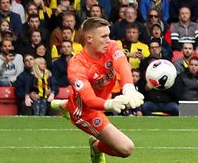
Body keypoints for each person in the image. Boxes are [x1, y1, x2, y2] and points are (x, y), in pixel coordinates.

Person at [50, 18, 143, 162]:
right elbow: (89, 100)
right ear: (89, 39)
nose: (109, 40)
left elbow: (123, 65)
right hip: (85, 111)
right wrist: (110, 104)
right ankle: (96, 147)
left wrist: (128, 88)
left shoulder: (111, 46)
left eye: (109, 35)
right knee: (126, 148)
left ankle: (64, 105)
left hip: (98, 99)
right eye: (104, 36)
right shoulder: (77, 66)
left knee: (75, 99)